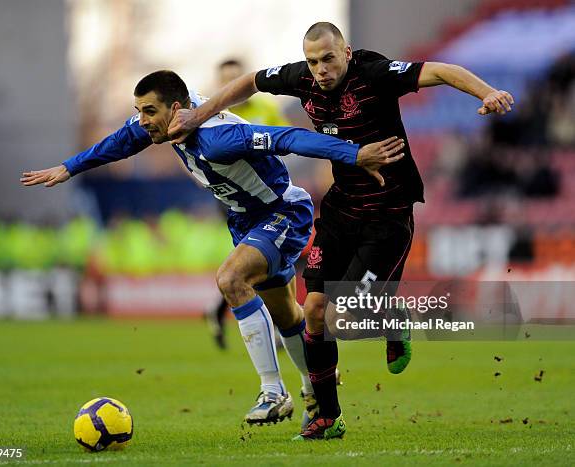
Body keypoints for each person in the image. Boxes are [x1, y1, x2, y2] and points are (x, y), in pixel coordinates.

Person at [167, 22, 515, 440]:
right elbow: (251, 81)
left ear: (346, 53)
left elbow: (440, 70)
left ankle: (390, 315)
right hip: (340, 211)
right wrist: (199, 115)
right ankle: (328, 418)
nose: (320, 70)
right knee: (313, 310)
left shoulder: (375, 74)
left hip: (387, 215)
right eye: (313, 61)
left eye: (328, 59)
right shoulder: (302, 78)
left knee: (339, 315)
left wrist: (487, 93)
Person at [20, 69, 404, 429]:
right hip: (245, 222)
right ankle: (318, 385)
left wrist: (354, 154)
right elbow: (119, 144)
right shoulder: (160, 125)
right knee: (289, 318)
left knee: (231, 279)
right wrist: (69, 168)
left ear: (176, 109)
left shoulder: (218, 138)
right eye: (138, 111)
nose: (141, 120)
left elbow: (287, 138)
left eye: (148, 111)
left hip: (282, 212)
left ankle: (273, 391)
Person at [206, 58, 291, 350]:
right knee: (254, 262)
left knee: (258, 263)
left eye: (235, 78)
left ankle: (219, 313)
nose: (230, 84)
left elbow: (286, 140)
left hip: (270, 193)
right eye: (225, 79)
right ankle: (282, 326)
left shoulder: (266, 109)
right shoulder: (214, 113)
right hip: (235, 198)